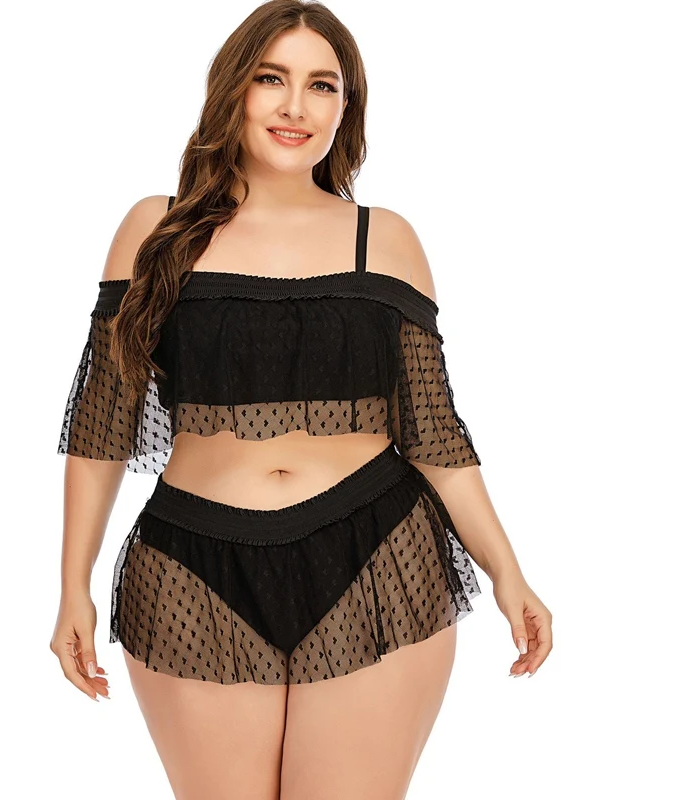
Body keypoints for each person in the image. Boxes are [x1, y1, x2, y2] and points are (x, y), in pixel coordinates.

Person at [50, 1, 553, 797]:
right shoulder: (157, 229)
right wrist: (71, 585)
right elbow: (102, 425)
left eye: (322, 85)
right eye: (271, 78)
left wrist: (508, 572)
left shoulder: (385, 239)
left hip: (375, 559)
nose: (295, 106)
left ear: (346, 107)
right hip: (192, 570)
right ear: (233, 89)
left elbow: (434, 436)